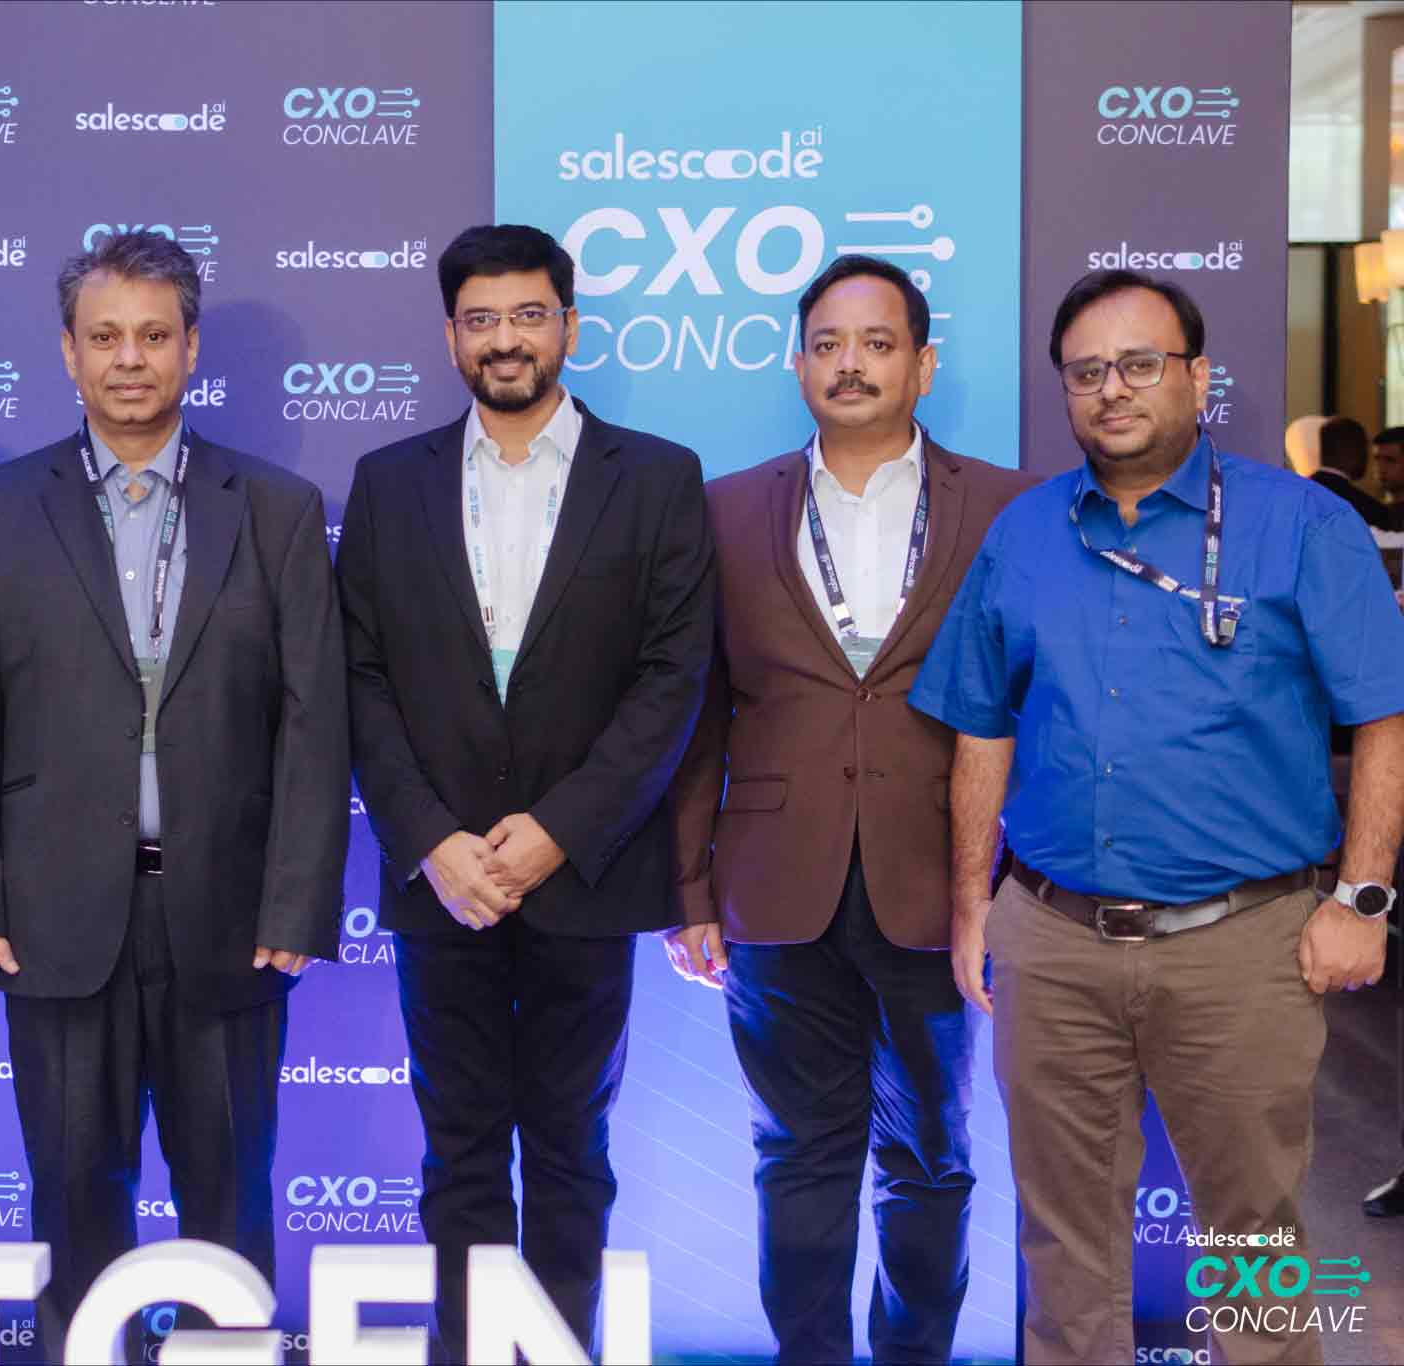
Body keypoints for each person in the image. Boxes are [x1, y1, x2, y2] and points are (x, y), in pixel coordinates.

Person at [910, 269, 1404, 1365]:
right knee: (1061, 1248)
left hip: (1245, 944)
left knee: (1254, 1239)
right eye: (1086, 372)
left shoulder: (1300, 525)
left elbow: (1385, 715)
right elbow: (980, 727)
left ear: (1196, 375)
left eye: (1139, 364)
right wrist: (973, 907)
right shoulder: (1024, 534)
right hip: (1051, 940)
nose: (1111, 389)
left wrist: (1362, 897)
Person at [0, 230, 349, 1359]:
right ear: (67, 351)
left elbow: (315, 727)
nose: (130, 359)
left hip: (228, 914)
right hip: (53, 917)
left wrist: (296, 902)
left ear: (191, 348)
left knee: (231, 1191)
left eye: (154, 336)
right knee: (73, 1191)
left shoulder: (276, 508)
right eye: (105, 336)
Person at [337, 224, 715, 1360]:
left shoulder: (656, 477)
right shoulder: (388, 482)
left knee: (569, 1155)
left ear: (569, 328)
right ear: (451, 336)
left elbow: (672, 679)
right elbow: (357, 678)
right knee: (456, 1158)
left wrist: (557, 830)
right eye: (481, 319)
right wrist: (429, 839)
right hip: (440, 884)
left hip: (584, 877)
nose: (505, 339)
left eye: (528, 315)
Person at [666, 256, 1031, 1365]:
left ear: (923, 363)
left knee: (930, 1156)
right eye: (826, 344)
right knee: (796, 1154)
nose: (850, 364)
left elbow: (1034, 705)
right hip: (774, 885)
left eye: (877, 343)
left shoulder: (1006, 507)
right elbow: (698, 714)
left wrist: (1011, 885)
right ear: (796, 365)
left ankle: (913, 1355)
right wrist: (688, 888)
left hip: (942, 883)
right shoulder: (726, 509)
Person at [1313, 415, 1399, 532]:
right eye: (1375, 458)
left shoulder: (1295, 495)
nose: (1380, 467)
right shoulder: (1370, 509)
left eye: (1389, 460)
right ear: (1355, 451)